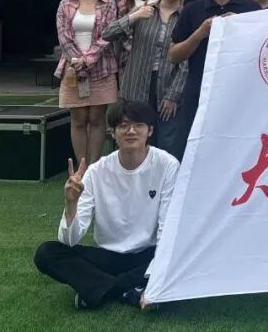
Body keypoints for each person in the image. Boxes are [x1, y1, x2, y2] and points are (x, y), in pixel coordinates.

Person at [34, 99, 179, 311]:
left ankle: (97, 289)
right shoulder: (96, 171)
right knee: (47, 253)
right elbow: (69, 240)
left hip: (147, 254)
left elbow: (167, 228)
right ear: (112, 133)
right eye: (123, 126)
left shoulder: (167, 165)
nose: (131, 131)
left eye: (138, 125)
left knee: (180, 255)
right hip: (107, 256)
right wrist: (71, 203)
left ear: (150, 131)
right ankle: (130, 291)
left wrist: (158, 265)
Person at [169, 0, 260, 153]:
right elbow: (174, 55)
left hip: (239, 92)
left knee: (237, 149)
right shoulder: (192, 10)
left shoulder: (252, 9)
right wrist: (201, 32)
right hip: (199, 90)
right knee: (192, 148)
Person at [102, 0, 188, 157]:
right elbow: (107, 34)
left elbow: (186, 62)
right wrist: (133, 16)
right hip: (137, 84)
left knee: (167, 143)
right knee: (135, 140)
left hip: (168, 85)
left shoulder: (186, 16)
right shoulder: (145, 12)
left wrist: (173, 95)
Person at [55, 0, 120, 165]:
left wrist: (87, 60)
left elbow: (107, 36)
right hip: (72, 68)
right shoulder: (66, 3)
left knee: (97, 118)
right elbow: (63, 36)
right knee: (79, 119)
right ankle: (81, 167)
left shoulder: (109, 4)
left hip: (101, 68)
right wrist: (77, 61)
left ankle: (94, 166)